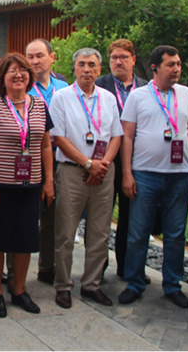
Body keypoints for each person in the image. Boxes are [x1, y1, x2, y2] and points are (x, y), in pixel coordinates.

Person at [118, 45, 188, 308]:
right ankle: (135, 282)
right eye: (171, 64)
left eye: (179, 64)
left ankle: (172, 284)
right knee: (138, 232)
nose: (177, 69)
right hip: (145, 174)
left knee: (175, 233)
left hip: (178, 176)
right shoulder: (138, 96)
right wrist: (127, 173)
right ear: (155, 68)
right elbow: (127, 136)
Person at [0, 53, 54, 317]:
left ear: (29, 75)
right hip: (0, 186)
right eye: (12, 71)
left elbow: (45, 145)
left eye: (22, 70)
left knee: (24, 239)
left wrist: (49, 181)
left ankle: (19, 290)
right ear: (3, 78)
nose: (18, 74)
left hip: (30, 185)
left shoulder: (40, 105)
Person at [50, 48, 123, 309]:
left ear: (99, 69)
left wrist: (102, 165)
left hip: (104, 172)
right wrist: (88, 163)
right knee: (66, 233)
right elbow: (59, 138)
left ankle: (92, 284)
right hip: (72, 171)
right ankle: (63, 285)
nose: (87, 69)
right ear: (74, 68)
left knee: (100, 233)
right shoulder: (61, 98)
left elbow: (116, 135)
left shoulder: (109, 98)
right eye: (81, 64)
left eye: (92, 65)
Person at [94, 39, 150, 284]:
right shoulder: (99, 85)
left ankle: (128, 267)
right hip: (105, 159)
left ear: (133, 59)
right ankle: (97, 268)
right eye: (114, 57)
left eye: (124, 57)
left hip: (137, 160)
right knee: (101, 216)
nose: (118, 61)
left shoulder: (147, 88)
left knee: (131, 217)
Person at [25, 38, 69, 285]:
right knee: (26, 215)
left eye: (39, 55)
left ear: (52, 57)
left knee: (53, 215)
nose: (34, 61)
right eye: (30, 57)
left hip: (59, 157)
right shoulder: (21, 87)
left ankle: (47, 268)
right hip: (28, 159)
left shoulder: (64, 87)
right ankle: (14, 268)